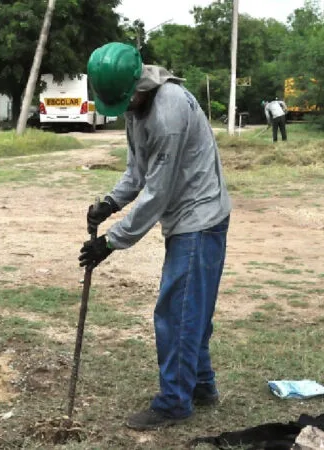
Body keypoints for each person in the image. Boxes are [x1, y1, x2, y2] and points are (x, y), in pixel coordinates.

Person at [78, 42, 232, 431]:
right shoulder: (138, 106)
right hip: (189, 218)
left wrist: (110, 241)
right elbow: (137, 171)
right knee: (190, 310)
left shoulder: (168, 112)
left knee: (176, 313)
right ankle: (200, 386)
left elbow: (156, 192)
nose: (125, 107)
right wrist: (109, 203)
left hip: (199, 220)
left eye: (126, 100)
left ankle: (174, 403)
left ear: (138, 83)